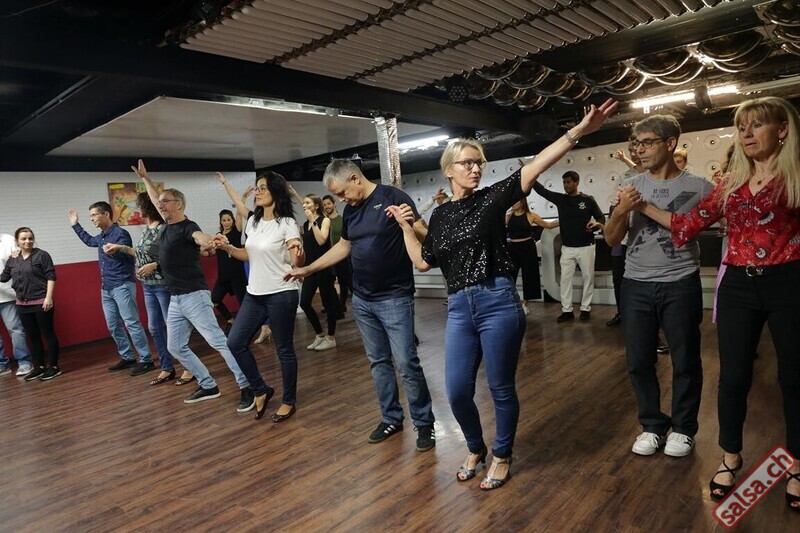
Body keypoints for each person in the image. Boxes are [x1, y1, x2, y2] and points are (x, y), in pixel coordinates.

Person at [388, 98, 618, 490]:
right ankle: (475, 447)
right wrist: (407, 228)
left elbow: (536, 165)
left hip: (497, 302)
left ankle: (502, 454)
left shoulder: (491, 199)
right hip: (459, 308)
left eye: (479, 162)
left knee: (499, 388)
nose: (475, 168)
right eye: (467, 163)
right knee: (457, 391)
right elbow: (424, 262)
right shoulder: (440, 216)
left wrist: (579, 131)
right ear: (448, 170)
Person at [636, 97, 800, 509]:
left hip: (789, 281)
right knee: (733, 378)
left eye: (756, 125)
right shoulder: (730, 184)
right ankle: (730, 457)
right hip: (739, 286)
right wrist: (641, 205)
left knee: (794, 378)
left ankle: (797, 464)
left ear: (782, 129)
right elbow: (686, 224)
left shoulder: (796, 176)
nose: (746, 134)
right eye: (742, 127)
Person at [284, 158, 436, 453]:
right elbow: (344, 246)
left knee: (406, 363)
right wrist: (309, 269)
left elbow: (425, 236)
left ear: (354, 178)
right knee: (378, 362)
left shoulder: (393, 197)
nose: (341, 199)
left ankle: (424, 422)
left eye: (342, 193)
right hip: (364, 300)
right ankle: (391, 418)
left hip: (395, 297)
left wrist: (408, 224)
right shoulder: (351, 212)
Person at [604, 114, 713, 459]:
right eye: (636, 143)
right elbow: (611, 239)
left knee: (685, 360)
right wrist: (621, 210)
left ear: (670, 143)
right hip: (635, 283)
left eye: (647, 142)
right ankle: (652, 425)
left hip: (680, 282)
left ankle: (683, 428)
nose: (639, 149)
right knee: (638, 361)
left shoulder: (700, 187)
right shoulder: (629, 185)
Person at [132, 159, 254, 409]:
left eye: (165, 202)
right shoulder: (167, 227)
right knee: (175, 347)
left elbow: (200, 237)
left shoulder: (188, 227)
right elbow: (155, 198)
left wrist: (210, 241)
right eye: (159, 202)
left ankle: (248, 386)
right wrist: (145, 178)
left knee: (218, 342)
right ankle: (208, 384)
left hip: (194, 295)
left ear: (178, 204)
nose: (160, 205)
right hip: (176, 298)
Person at [217, 171, 305, 423]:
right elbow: (249, 254)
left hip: (281, 293)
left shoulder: (286, 223)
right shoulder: (254, 222)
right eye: (257, 187)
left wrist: (298, 252)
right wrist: (228, 248)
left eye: (263, 188)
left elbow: (298, 261)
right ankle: (261, 389)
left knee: (284, 349)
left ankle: (288, 401)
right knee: (235, 342)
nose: (258, 191)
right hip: (254, 294)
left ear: (276, 191)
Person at [102, 192, 179, 386]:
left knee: (173, 327)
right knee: (154, 328)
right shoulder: (147, 229)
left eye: (139, 205)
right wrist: (120, 248)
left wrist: (156, 265)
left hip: (163, 286)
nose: (137, 208)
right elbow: (140, 253)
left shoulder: (163, 228)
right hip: (148, 286)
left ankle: (189, 368)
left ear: (148, 207)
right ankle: (167, 368)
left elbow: (175, 255)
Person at [68, 202, 154, 375]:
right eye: (90, 216)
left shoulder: (120, 233)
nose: (91, 219)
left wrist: (116, 250)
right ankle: (128, 357)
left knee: (131, 323)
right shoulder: (102, 236)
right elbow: (89, 241)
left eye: (94, 215)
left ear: (106, 214)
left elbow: (128, 255)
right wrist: (75, 225)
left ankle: (146, 360)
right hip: (106, 288)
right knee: (113, 325)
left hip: (122, 285)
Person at [532, 171, 605, 322]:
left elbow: (600, 217)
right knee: (565, 280)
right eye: (564, 182)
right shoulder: (561, 199)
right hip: (567, 248)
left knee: (588, 278)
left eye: (568, 182)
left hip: (586, 246)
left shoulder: (588, 200)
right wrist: (531, 175)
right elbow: (542, 191)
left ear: (576, 182)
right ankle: (567, 310)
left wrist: (596, 224)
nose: (566, 185)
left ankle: (585, 308)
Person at [0, 227, 60, 381]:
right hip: (22, 304)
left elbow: (51, 276)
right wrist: (9, 257)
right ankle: (39, 366)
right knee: (33, 337)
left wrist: (48, 298)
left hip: (41, 302)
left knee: (48, 334)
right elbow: (4, 277)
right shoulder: (13, 259)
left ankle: (53, 367)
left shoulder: (42, 255)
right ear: (17, 241)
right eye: (23, 239)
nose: (27, 241)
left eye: (30, 238)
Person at [298, 194, 339, 351]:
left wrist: (313, 221)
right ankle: (320, 334)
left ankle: (331, 337)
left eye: (307, 203)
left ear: (316, 206)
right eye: (303, 203)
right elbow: (307, 247)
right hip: (311, 267)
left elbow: (322, 240)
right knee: (304, 303)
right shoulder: (305, 224)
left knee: (328, 304)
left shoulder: (324, 220)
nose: (304, 205)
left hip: (324, 267)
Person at [505, 198, 558, 314]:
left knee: (529, 276)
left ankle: (525, 304)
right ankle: (513, 301)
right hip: (513, 249)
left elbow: (548, 225)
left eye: (515, 201)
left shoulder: (531, 215)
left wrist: (564, 220)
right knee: (510, 276)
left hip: (527, 248)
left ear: (522, 202)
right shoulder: (508, 216)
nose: (512, 203)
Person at [0, 233, 34, 377]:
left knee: (15, 330)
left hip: (7, 296)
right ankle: (2, 365)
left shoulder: (8, 240)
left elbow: (23, 258)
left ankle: (25, 362)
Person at [211, 209, 247, 335]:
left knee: (244, 304)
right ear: (220, 222)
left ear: (232, 220)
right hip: (223, 277)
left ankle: (246, 328)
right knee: (214, 299)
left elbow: (239, 213)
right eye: (224, 220)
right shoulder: (218, 236)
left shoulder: (236, 232)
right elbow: (214, 251)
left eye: (229, 220)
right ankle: (231, 321)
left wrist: (242, 200)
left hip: (237, 276)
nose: (226, 222)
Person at [322, 194, 352, 313]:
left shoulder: (341, 220)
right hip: (330, 257)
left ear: (334, 204)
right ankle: (337, 306)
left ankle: (343, 306)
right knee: (332, 283)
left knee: (346, 282)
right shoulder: (325, 221)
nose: (326, 206)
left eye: (328, 203)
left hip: (343, 257)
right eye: (324, 205)